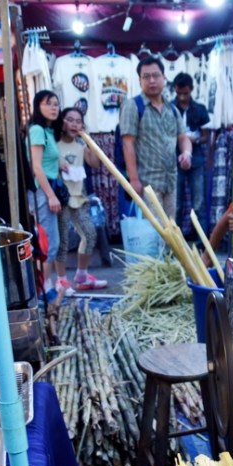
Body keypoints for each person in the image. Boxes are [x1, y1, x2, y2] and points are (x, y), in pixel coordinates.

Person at [119, 54, 193, 219]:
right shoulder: (133, 106)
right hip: (148, 183)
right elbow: (128, 144)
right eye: (146, 77)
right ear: (140, 81)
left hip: (171, 181)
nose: (152, 80)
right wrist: (134, 179)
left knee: (171, 229)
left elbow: (183, 137)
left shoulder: (172, 109)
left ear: (164, 78)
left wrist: (187, 153)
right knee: (153, 233)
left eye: (156, 75)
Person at [55, 106, 107, 291]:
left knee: (90, 234)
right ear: (62, 122)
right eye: (70, 119)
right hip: (62, 198)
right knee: (62, 240)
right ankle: (61, 280)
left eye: (78, 121)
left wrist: (89, 140)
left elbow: (95, 162)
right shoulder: (54, 144)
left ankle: (82, 275)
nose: (74, 124)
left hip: (79, 197)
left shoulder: (81, 145)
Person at [26, 89, 73, 295]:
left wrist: (62, 163)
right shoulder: (36, 129)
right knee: (48, 243)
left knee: (52, 241)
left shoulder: (47, 131)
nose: (54, 108)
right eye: (49, 103)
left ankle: (45, 285)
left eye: (56, 104)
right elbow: (36, 166)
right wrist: (50, 195)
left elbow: (48, 159)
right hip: (43, 192)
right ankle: (44, 288)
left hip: (49, 188)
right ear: (38, 106)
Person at [173, 72, 210, 236]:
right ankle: (177, 240)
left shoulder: (200, 109)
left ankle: (201, 240)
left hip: (196, 159)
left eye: (185, 93)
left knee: (199, 202)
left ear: (192, 90)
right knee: (176, 203)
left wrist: (193, 139)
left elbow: (205, 137)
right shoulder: (170, 109)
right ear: (175, 90)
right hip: (175, 159)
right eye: (179, 93)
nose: (182, 97)